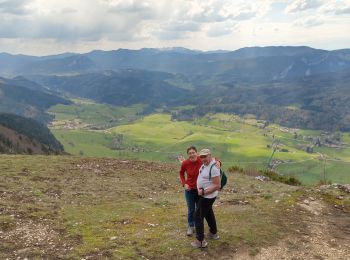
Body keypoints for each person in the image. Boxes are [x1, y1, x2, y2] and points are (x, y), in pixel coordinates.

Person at [178, 146, 221, 236]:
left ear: (196, 153)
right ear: (187, 155)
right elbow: (181, 173)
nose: (192, 154)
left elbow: (213, 159)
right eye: (189, 153)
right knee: (191, 209)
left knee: (200, 210)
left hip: (201, 191)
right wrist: (184, 183)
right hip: (190, 190)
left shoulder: (201, 159)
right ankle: (191, 226)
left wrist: (218, 162)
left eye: (193, 152)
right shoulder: (185, 163)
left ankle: (199, 229)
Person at [191, 148, 220, 248]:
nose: (203, 159)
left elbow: (217, 185)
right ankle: (213, 233)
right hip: (205, 195)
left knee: (197, 216)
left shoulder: (214, 167)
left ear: (210, 156)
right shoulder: (205, 164)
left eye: (205, 156)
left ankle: (200, 241)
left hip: (208, 196)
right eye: (201, 157)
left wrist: (203, 191)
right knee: (208, 213)